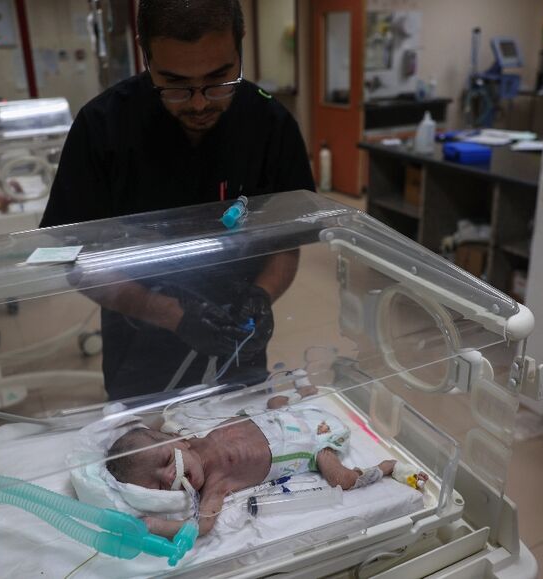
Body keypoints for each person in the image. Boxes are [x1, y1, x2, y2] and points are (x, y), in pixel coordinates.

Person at [41, 0, 315, 400]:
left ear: (240, 45)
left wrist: (262, 295)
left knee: (238, 440)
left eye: (220, 78)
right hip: (139, 338)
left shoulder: (270, 125)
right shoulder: (102, 129)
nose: (200, 103)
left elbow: (288, 240)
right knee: (151, 447)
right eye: (175, 84)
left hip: (239, 332)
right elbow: (76, 258)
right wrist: (168, 313)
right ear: (145, 53)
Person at [106, 389, 397, 538]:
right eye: (159, 485)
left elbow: (160, 421)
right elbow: (202, 527)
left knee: (272, 401)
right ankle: (382, 469)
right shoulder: (215, 482)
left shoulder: (189, 436)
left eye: (167, 460)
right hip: (314, 445)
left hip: (283, 415)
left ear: (177, 441)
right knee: (340, 480)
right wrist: (155, 525)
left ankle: (300, 393)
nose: (170, 476)